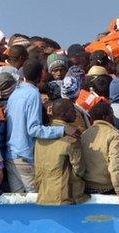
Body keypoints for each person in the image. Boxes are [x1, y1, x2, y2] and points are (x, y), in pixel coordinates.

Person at [5, 59, 78, 193]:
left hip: (11, 156)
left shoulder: (14, 93)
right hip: (25, 157)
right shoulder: (33, 94)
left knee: (19, 205)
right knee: (35, 205)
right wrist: (63, 130)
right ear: (40, 75)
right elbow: (34, 129)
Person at [34, 99, 86, 205]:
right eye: (72, 110)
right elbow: (79, 170)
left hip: (43, 193)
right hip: (64, 196)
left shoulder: (41, 136)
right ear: (64, 114)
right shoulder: (72, 138)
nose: (75, 113)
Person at [81, 102, 119, 206]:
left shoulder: (85, 134)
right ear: (105, 117)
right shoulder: (114, 134)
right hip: (106, 188)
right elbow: (115, 164)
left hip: (86, 187)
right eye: (112, 115)